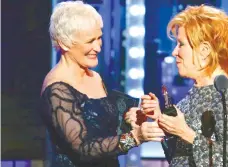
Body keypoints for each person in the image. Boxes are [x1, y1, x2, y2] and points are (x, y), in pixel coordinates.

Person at [40, 1, 164, 167]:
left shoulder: (95, 77)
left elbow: (105, 131)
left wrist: (131, 119)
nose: (97, 47)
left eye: (99, 38)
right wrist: (135, 137)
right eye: (90, 41)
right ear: (64, 43)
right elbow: (84, 149)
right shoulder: (57, 90)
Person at [132, 4, 228, 167]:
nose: (174, 52)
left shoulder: (226, 95)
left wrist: (184, 132)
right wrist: (161, 119)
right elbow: (178, 157)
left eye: (181, 44)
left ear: (204, 50)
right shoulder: (198, 89)